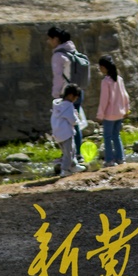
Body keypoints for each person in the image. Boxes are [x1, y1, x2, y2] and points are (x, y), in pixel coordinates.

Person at [47, 26, 85, 167]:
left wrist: (56, 95)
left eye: (50, 39)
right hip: (78, 91)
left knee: (63, 125)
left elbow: (58, 77)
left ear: (56, 39)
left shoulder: (58, 56)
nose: (48, 41)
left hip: (65, 94)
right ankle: (77, 155)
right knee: (75, 124)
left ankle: (68, 157)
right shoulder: (73, 50)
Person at [96, 56, 129, 167]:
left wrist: (100, 114)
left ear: (104, 67)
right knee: (116, 135)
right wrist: (126, 109)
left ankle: (109, 160)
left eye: (100, 67)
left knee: (107, 137)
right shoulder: (119, 79)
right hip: (119, 113)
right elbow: (125, 95)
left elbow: (104, 100)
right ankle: (121, 158)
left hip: (109, 114)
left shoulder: (106, 81)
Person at [51, 85, 83, 177]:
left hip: (58, 133)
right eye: (75, 97)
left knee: (70, 150)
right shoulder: (68, 106)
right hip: (66, 133)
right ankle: (65, 170)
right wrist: (77, 120)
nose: (75, 100)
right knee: (69, 152)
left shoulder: (58, 105)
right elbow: (72, 120)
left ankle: (73, 165)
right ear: (70, 96)